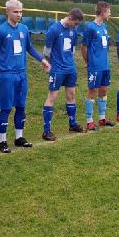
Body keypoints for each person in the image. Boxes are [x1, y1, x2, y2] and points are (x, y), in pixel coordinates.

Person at [0, 0, 50, 153]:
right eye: (15, 11)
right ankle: (2, 141)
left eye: (21, 12)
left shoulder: (24, 29)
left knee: (21, 106)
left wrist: (42, 60)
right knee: (6, 108)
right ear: (7, 12)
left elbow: (29, 47)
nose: (19, 14)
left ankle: (19, 137)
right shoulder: (0, 31)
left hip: (21, 74)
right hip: (6, 75)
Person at [42, 8, 85, 141]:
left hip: (70, 68)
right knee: (53, 96)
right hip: (57, 68)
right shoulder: (54, 29)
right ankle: (46, 130)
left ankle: (72, 124)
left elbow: (72, 50)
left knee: (71, 94)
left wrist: (70, 62)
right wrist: (48, 64)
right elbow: (46, 51)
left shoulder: (74, 31)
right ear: (70, 18)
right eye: (75, 23)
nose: (76, 26)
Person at [81, 1, 114, 130]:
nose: (110, 14)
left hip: (105, 65)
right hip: (95, 66)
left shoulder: (104, 26)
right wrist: (88, 62)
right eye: (109, 11)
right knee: (93, 91)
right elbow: (83, 47)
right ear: (102, 12)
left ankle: (102, 118)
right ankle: (89, 121)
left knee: (104, 90)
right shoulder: (90, 27)